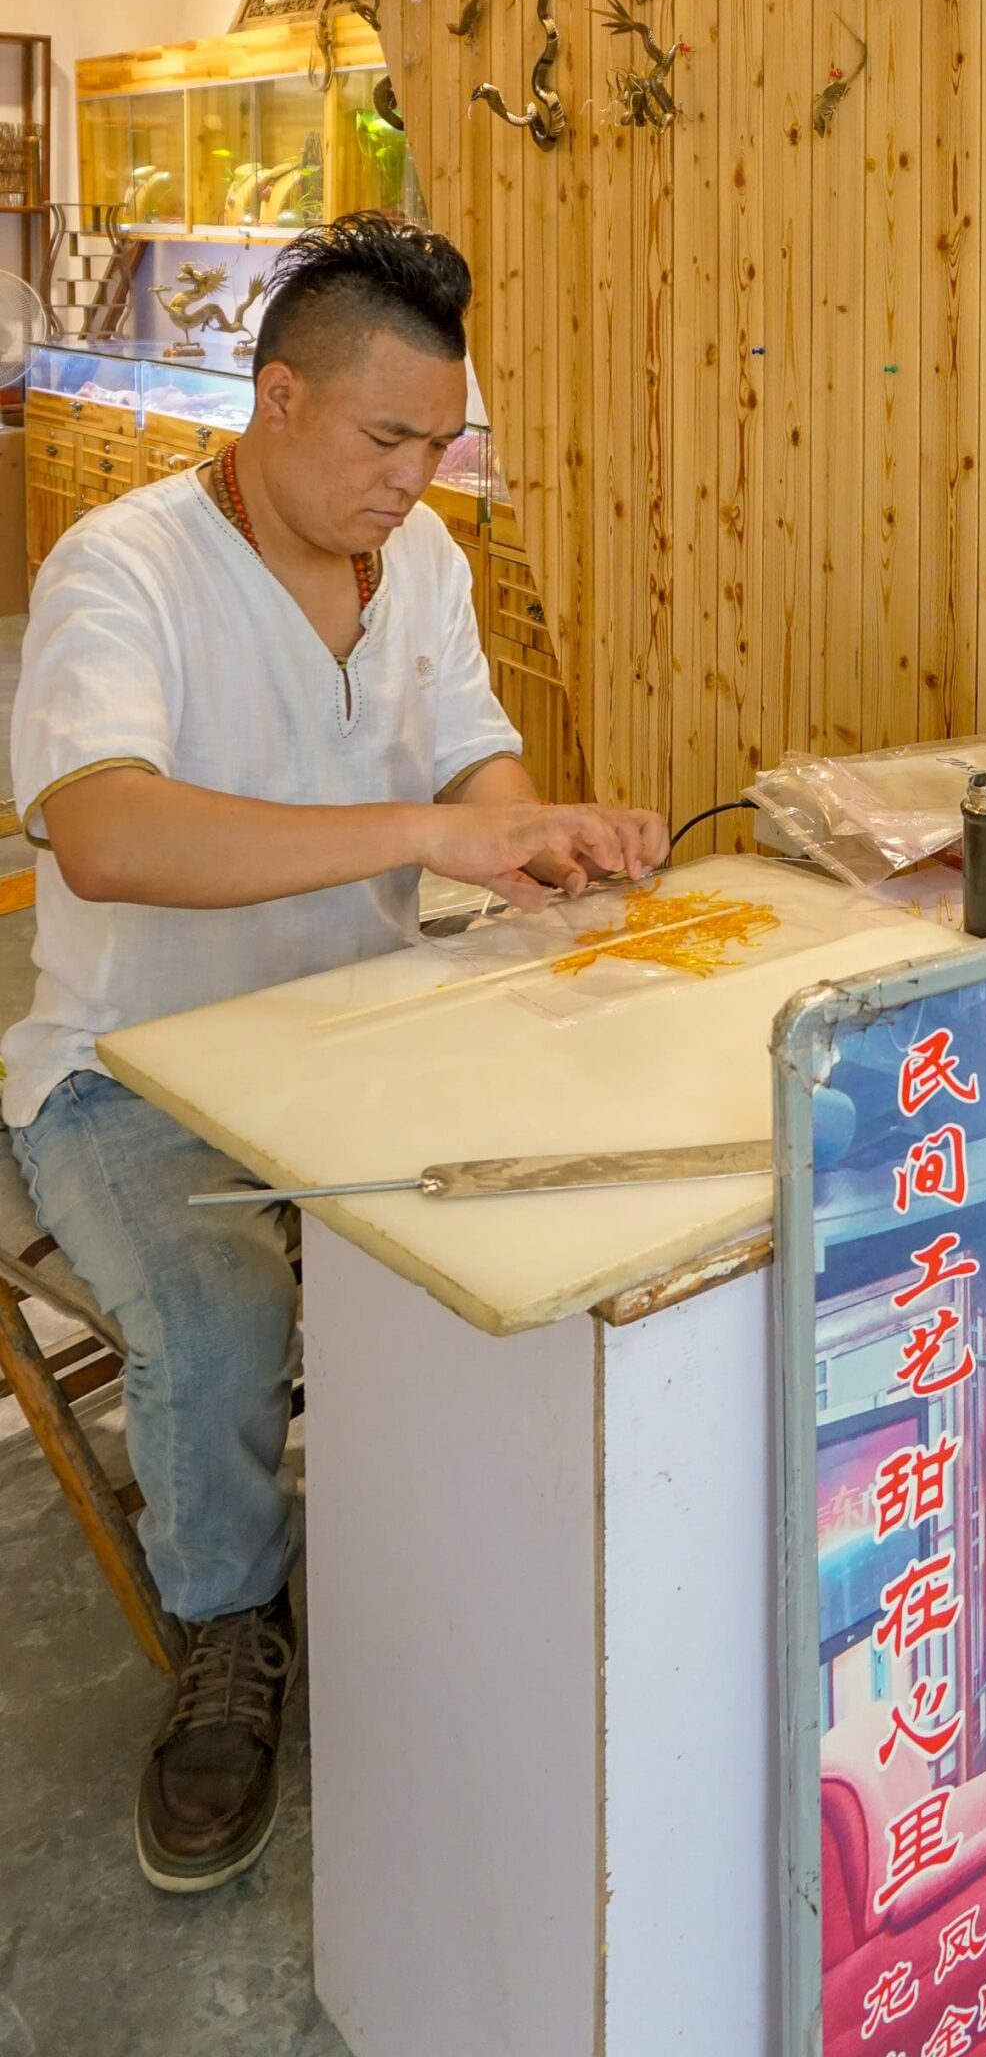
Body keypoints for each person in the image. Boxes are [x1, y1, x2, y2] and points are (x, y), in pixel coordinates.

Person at [2, 216, 668, 1896]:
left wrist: (530, 844)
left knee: (559, 1193)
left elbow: (474, 767)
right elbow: (101, 833)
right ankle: (229, 1618)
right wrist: (421, 843)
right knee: (221, 1310)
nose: (413, 480)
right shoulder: (122, 564)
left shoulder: (420, 562)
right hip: (134, 1069)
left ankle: (478, 1563)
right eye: (385, 442)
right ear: (275, 398)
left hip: (364, 1026)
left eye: (439, 446)